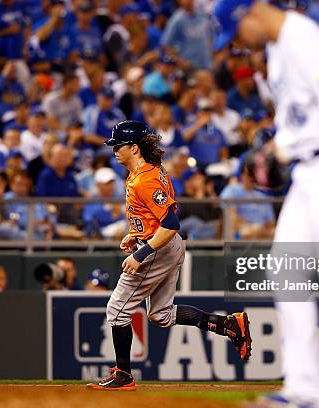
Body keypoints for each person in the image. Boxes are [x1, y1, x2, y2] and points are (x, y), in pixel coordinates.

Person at [214, 1, 319, 407]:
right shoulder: (275, 48)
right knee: (284, 270)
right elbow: (302, 119)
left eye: (236, 34)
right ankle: (304, 388)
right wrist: (276, 147)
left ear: (249, 14)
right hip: (308, 169)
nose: (238, 44)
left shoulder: (306, 40)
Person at [87, 120, 252, 391]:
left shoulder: (146, 179)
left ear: (134, 148)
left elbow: (171, 223)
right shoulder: (146, 171)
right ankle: (229, 324)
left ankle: (123, 374)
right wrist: (135, 233)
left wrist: (142, 252)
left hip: (158, 248)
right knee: (160, 315)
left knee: (116, 310)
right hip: (166, 244)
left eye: (118, 145)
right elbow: (153, 216)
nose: (114, 150)